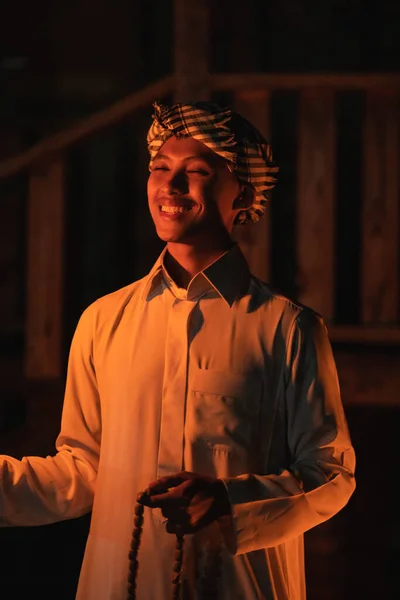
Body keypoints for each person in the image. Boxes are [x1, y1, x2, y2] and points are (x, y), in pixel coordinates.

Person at [0, 101, 356, 600]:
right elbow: (82, 471)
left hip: (235, 586)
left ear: (243, 195)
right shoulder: (104, 320)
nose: (171, 185)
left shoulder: (287, 328)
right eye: (160, 169)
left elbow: (331, 474)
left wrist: (229, 501)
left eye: (196, 172)